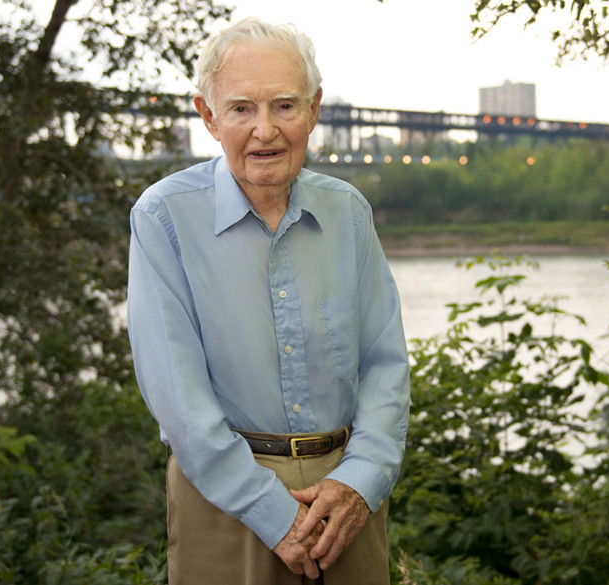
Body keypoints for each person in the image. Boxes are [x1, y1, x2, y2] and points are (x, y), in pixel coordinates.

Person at [127, 17, 410, 584]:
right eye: (241, 109)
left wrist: (361, 481)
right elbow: (179, 400)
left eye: (284, 105)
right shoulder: (163, 218)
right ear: (208, 117)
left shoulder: (349, 213)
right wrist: (272, 514)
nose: (265, 130)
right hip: (224, 502)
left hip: (346, 502)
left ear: (314, 109)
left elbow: (386, 364)